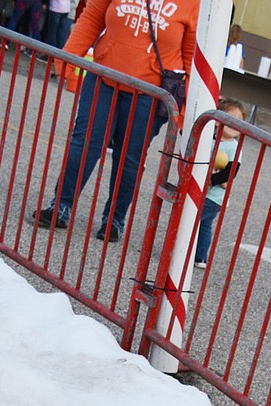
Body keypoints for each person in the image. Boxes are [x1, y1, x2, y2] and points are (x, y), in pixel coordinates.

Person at [33, 0, 199, 241]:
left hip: (149, 94)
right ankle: (60, 206)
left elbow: (192, 58)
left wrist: (185, 113)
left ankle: (114, 220)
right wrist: (67, 60)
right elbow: (91, 19)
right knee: (83, 143)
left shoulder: (192, 3)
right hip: (103, 78)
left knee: (130, 159)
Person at [194, 99, 245, 268]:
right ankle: (200, 257)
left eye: (239, 121)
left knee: (194, 221)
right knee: (204, 225)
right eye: (229, 118)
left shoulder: (234, 148)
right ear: (216, 121)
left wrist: (209, 180)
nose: (233, 124)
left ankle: (186, 251)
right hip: (208, 192)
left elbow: (230, 173)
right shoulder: (209, 139)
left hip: (214, 196)